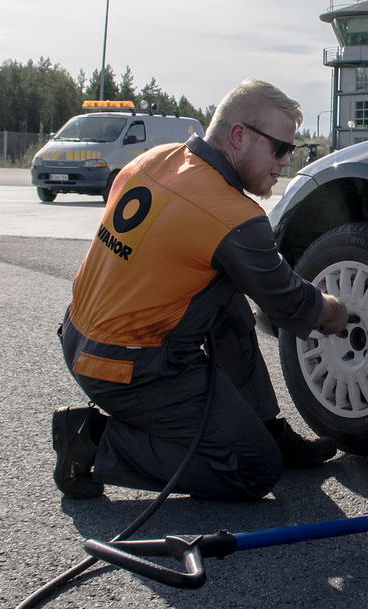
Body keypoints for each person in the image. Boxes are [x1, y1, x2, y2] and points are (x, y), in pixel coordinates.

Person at [52, 79, 349, 500]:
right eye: (280, 149)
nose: (285, 162)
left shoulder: (155, 159)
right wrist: (336, 311)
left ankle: (265, 427)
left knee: (226, 297)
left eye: (293, 150)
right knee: (254, 468)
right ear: (239, 135)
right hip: (126, 368)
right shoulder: (229, 214)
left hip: (79, 335)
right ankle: (95, 444)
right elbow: (289, 302)